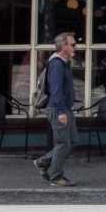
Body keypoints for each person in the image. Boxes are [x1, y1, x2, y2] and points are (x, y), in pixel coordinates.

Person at [34, 32, 79, 187]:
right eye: (72, 44)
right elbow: (56, 89)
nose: (75, 47)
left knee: (72, 141)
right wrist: (60, 112)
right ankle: (55, 176)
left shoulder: (64, 63)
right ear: (63, 46)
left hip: (65, 107)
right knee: (63, 143)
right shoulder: (57, 64)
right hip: (58, 108)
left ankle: (43, 162)